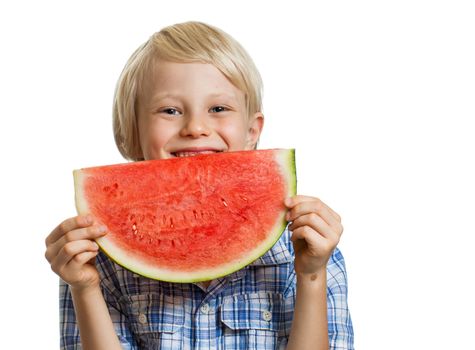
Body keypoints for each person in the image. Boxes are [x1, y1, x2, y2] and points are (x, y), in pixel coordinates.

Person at [44, 21, 354, 350]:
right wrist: (85, 288)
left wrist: (311, 275)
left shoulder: (307, 247)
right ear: (134, 131)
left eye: (218, 108)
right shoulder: (96, 255)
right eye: (170, 110)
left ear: (252, 131)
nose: (195, 127)